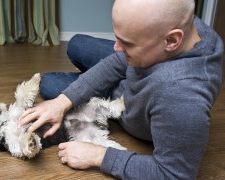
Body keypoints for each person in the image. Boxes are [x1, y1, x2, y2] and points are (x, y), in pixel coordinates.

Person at [19, 0, 224, 179]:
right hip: (136, 72)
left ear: (171, 40)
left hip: (122, 101)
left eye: (127, 43)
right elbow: (118, 61)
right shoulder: (191, 26)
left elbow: (174, 174)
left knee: (48, 83)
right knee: (76, 44)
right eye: (118, 38)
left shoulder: (182, 98)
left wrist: (99, 156)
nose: (116, 47)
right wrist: (62, 101)